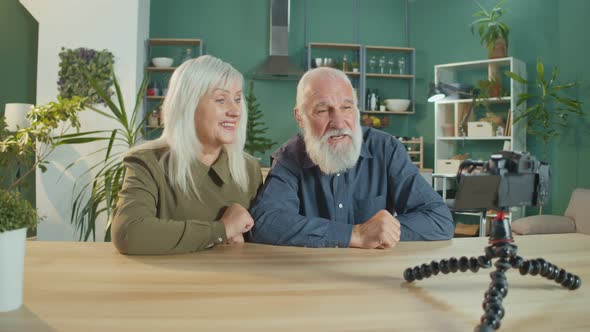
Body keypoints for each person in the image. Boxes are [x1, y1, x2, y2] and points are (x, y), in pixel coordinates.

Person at [250, 67, 454, 249]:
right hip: (311, 278)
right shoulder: (289, 158)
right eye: (322, 110)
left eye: (346, 108)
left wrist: (384, 231)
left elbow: (439, 219)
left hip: (377, 279)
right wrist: (355, 235)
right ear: (300, 117)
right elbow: (266, 223)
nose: (339, 123)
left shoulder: (386, 149)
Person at [111, 55, 262, 255]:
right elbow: (130, 232)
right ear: (188, 105)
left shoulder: (248, 169)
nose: (235, 111)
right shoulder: (147, 163)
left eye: (237, 99)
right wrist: (223, 229)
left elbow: (259, 242)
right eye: (221, 99)